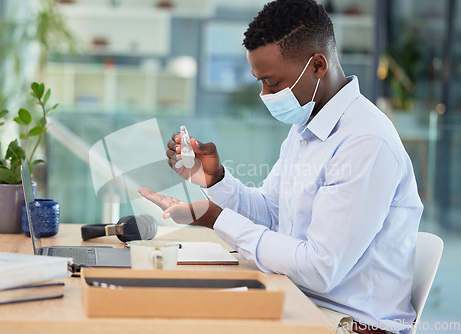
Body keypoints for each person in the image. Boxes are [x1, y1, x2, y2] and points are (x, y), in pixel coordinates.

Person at [139, 0, 423, 333]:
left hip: (350, 323)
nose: (265, 94)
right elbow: (272, 213)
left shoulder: (365, 142)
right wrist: (215, 181)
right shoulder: (305, 128)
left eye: (272, 83)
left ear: (318, 65)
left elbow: (319, 269)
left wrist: (217, 219)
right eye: (260, 82)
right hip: (300, 301)